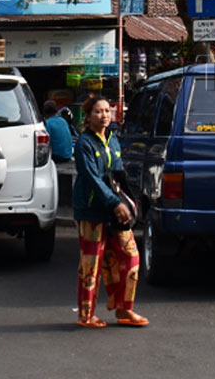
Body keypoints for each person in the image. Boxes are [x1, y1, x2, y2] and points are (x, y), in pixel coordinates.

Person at [72, 95, 148, 328]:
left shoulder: (114, 140)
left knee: (131, 257)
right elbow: (92, 179)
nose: (104, 115)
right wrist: (114, 203)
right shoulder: (84, 143)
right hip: (91, 211)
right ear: (88, 116)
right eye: (98, 111)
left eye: (107, 111)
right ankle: (86, 315)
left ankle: (124, 310)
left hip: (116, 211)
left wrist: (128, 202)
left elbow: (119, 176)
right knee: (91, 264)